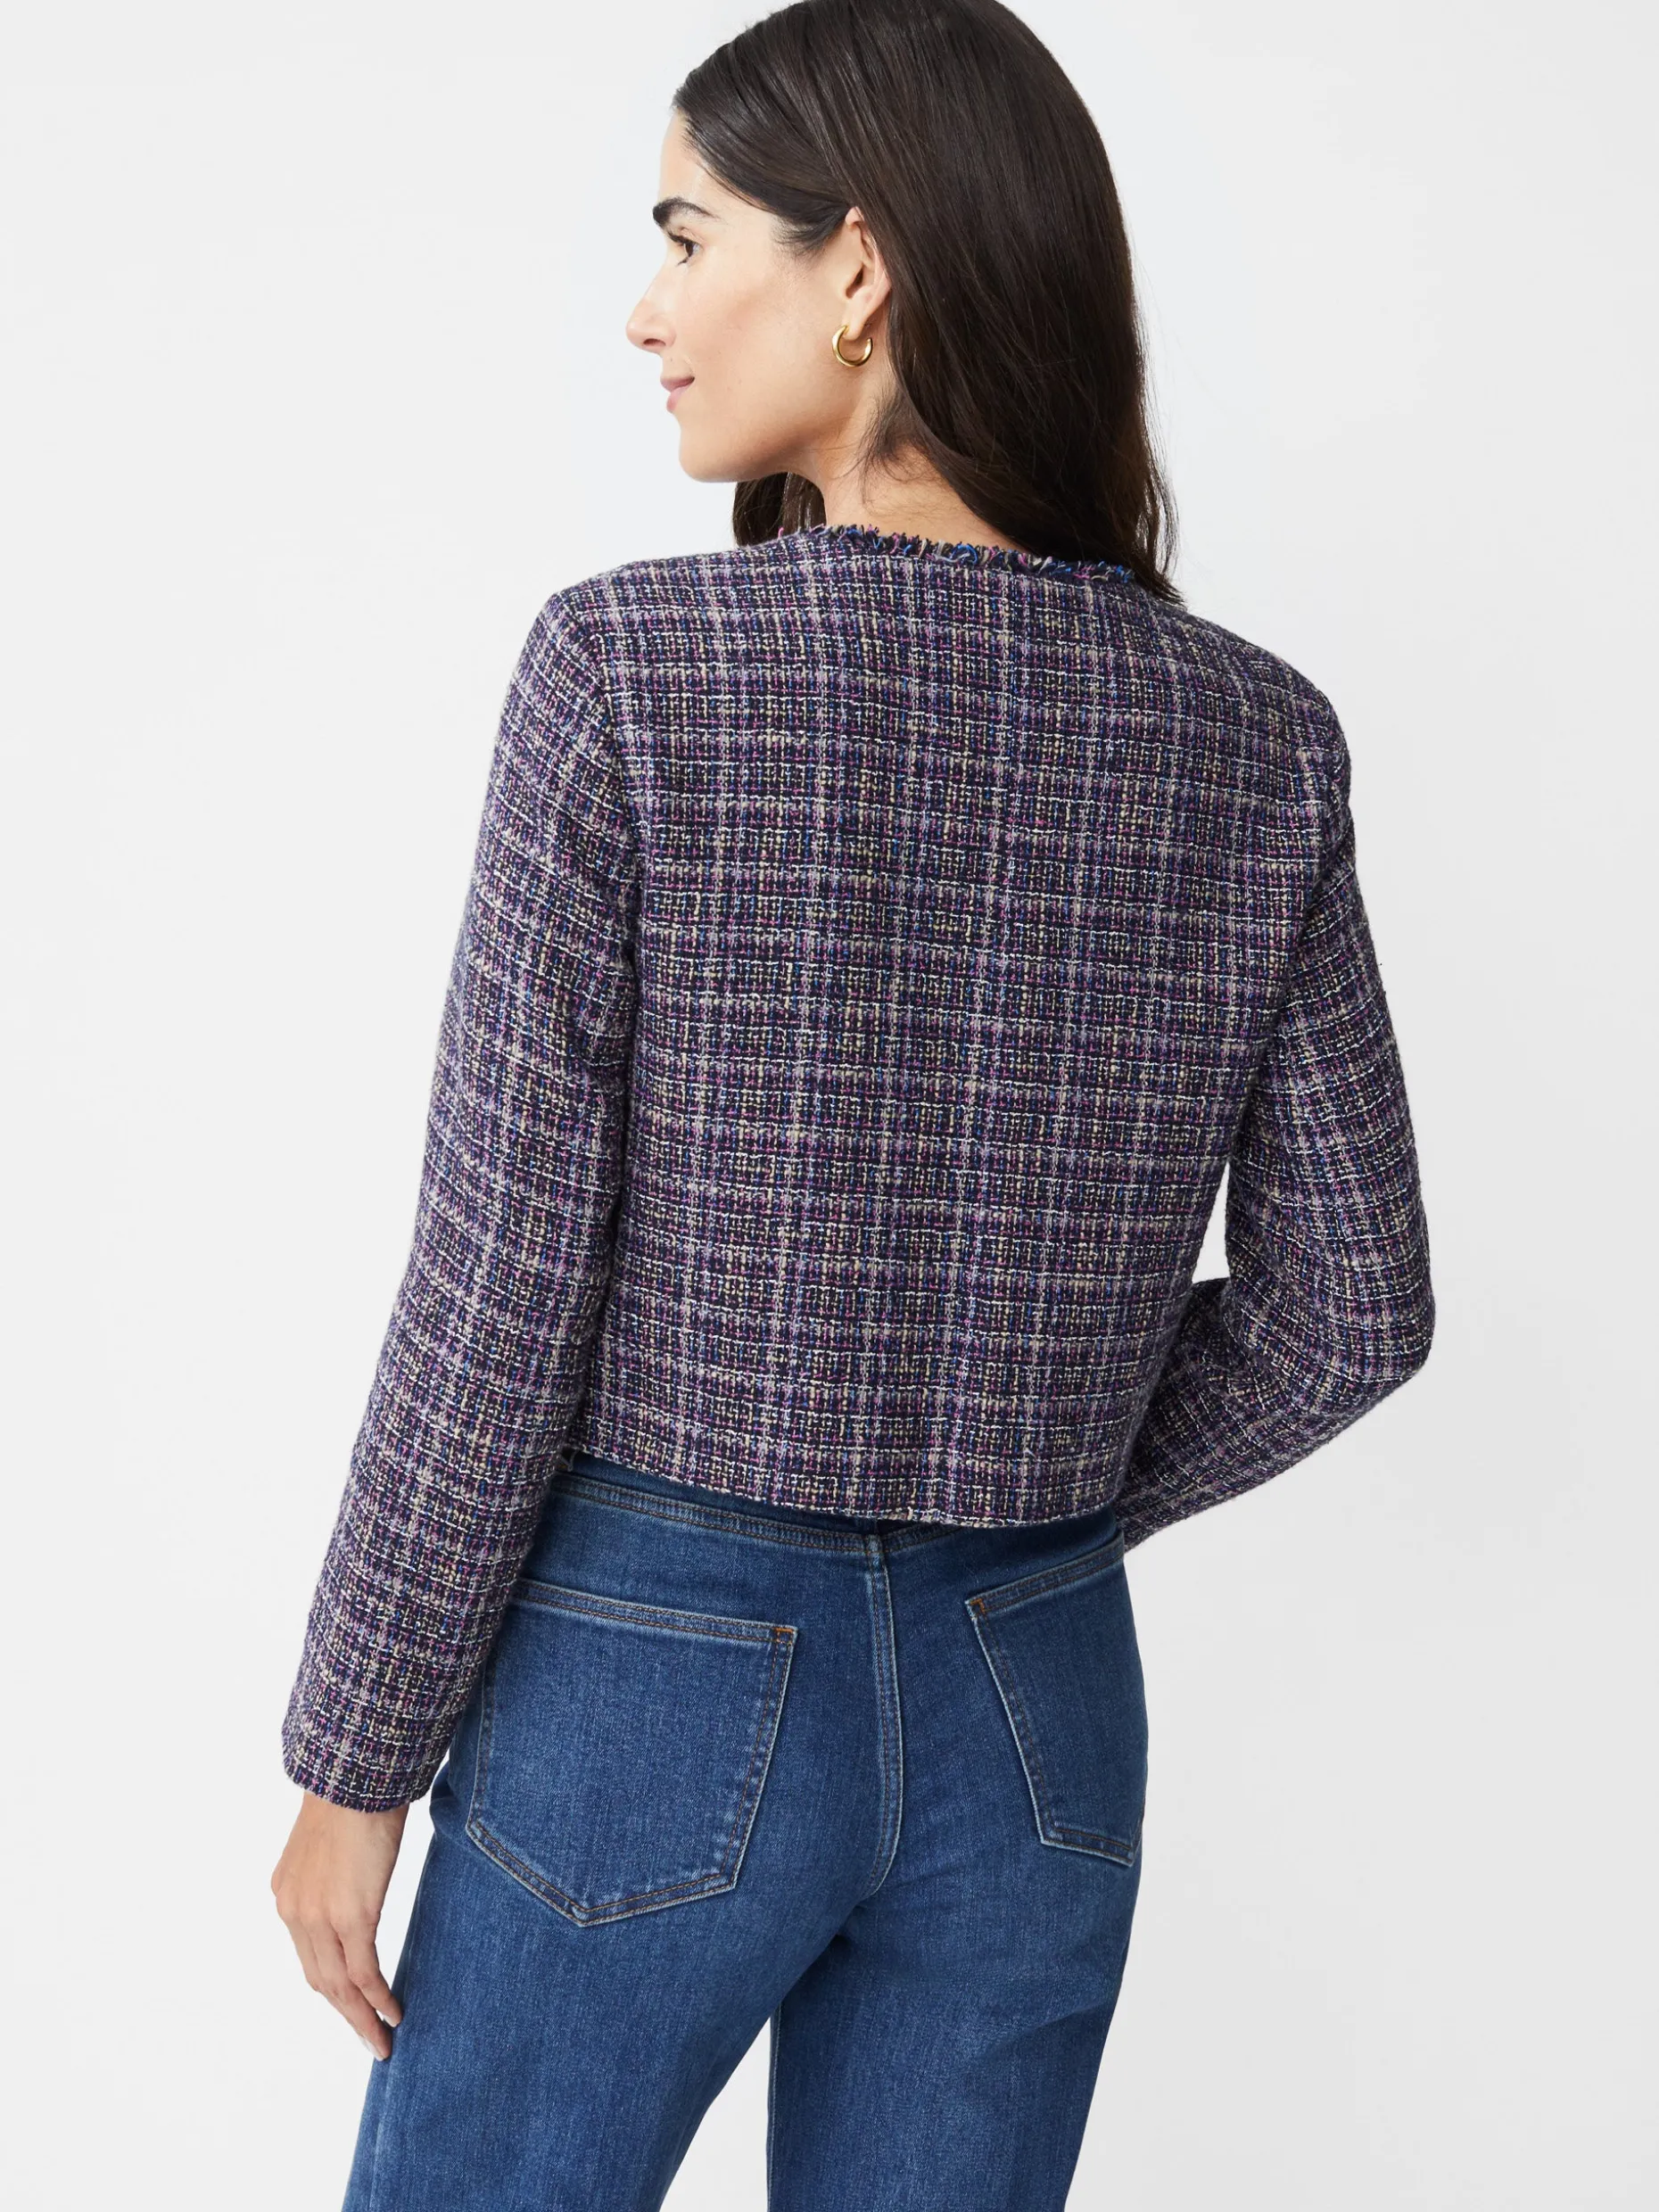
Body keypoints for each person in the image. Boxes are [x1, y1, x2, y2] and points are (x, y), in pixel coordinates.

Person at [270, 3, 1435, 2205]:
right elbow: (1351, 1307)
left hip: (649, 1675)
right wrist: (1032, 1480)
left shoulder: (632, 674)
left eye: (687, 236)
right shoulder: (1256, 740)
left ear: (861, 274)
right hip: (1038, 1697)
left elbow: (505, 1282)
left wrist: (355, 1751)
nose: (646, 311)